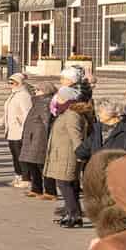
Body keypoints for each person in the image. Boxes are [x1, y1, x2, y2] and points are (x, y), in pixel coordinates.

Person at [44, 93, 93, 229]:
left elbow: (76, 136)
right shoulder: (66, 112)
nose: (56, 99)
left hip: (68, 155)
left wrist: (80, 153)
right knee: (69, 185)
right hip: (62, 154)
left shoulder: (71, 114)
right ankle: (71, 213)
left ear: (67, 99)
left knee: (65, 184)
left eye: (60, 97)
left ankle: (74, 216)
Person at [16, 80, 55, 199]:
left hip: (40, 138)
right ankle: (36, 189)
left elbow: (47, 121)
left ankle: (50, 192)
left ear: (45, 91)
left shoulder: (45, 102)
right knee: (32, 164)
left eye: (38, 90)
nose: (35, 91)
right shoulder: (37, 101)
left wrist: (48, 137)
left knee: (42, 165)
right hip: (32, 137)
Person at [2, 74, 32, 185]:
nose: (10, 85)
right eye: (9, 82)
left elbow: (27, 113)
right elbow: (8, 112)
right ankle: (18, 175)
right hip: (11, 130)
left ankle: (26, 179)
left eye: (12, 82)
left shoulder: (24, 95)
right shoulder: (13, 95)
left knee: (21, 156)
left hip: (20, 131)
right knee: (15, 156)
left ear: (19, 83)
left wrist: (25, 129)